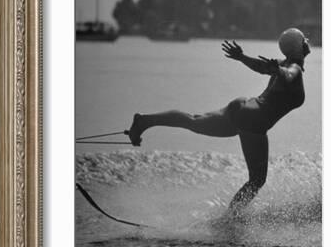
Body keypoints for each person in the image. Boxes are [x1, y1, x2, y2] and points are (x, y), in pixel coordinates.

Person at [128, 28, 311, 211]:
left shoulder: (285, 63)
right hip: (254, 120)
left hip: (243, 106)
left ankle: (144, 122)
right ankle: (230, 220)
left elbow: (263, 68)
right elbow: (288, 75)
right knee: (257, 181)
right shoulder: (292, 68)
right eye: (304, 41)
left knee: (194, 120)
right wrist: (277, 70)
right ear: (300, 46)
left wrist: (242, 57)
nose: (307, 43)